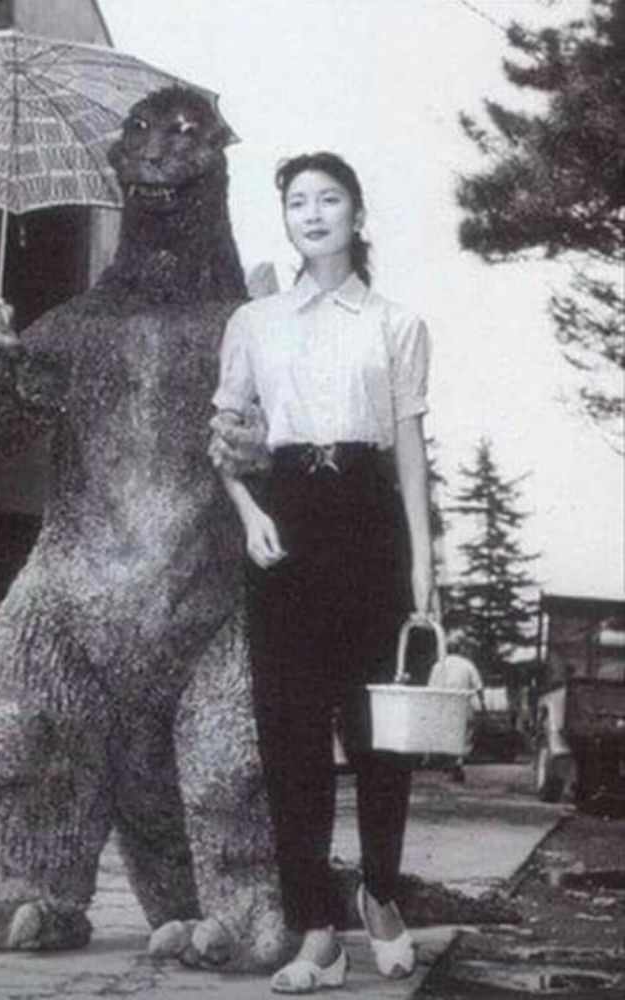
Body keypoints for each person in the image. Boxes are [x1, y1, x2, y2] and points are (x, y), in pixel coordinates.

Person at [211, 151, 438, 994]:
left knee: (382, 734)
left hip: (370, 528)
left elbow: (410, 451)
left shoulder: (396, 323)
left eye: (328, 198)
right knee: (289, 737)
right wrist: (249, 512)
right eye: (296, 201)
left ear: (356, 211)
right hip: (284, 530)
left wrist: (422, 561)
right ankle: (317, 930)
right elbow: (225, 436)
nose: (311, 214)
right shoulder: (254, 322)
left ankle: (380, 896)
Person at [429, 645, 485, 782]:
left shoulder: (438, 665)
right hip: (462, 703)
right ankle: (458, 762)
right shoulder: (467, 665)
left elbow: (430, 689)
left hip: (443, 705)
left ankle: (447, 763)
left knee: (445, 733)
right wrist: (483, 705)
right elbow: (479, 687)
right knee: (463, 734)